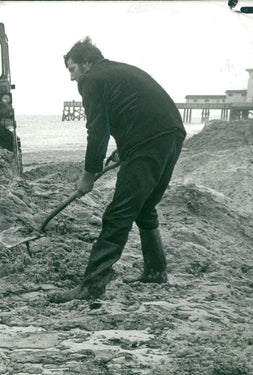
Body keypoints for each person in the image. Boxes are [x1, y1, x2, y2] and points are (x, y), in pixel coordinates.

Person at [49, 38, 186, 303]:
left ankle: (92, 285)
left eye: (72, 69)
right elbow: (133, 109)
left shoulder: (91, 79)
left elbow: (98, 129)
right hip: (171, 135)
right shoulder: (117, 70)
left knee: (118, 213)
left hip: (149, 141)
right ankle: (156, 272)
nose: (71, 78)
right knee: (144, 206)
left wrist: (89, 173)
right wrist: (125, 148)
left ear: (86, 63)